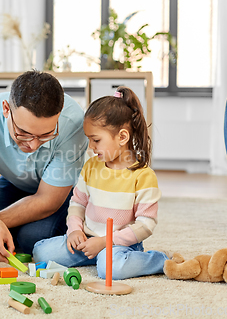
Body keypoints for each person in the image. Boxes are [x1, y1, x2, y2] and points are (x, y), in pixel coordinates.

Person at [0, 70, 88, 263]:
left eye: (45, 135)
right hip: (14, 182)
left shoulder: (73, 122)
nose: (32, 145)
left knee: (32, 238)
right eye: (23, 133)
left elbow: (48, 200)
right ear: (6, 109)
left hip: (63, 192)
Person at [33, 86, 168, 280]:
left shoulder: (143, 176)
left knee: (111, 269)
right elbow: (77, 204)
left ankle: (159, 260)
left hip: (120, 244)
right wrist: (74, 231)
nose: (90, 146)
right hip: (87, 239)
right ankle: (97, 256)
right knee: (40, 252)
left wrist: (106, 242)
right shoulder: (91, 166)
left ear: (122, 137)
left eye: (96, 140)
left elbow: (146, 225)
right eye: (89, 139)